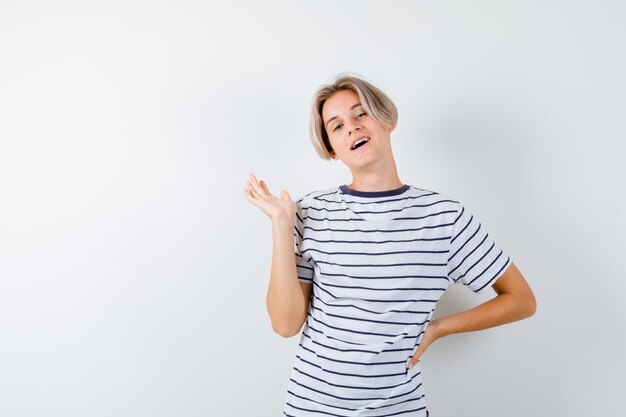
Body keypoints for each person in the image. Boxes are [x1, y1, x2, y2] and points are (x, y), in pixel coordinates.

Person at [243, 73, 537, 417]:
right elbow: (285, 325)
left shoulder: (444, 217)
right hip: (311, 408)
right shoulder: (311, 213)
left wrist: (440, 327)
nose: (351, 127)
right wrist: (281, 226)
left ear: (387, 120)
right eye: (336, 126)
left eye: (360, 114)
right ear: (330, 149)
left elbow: (521, 300)